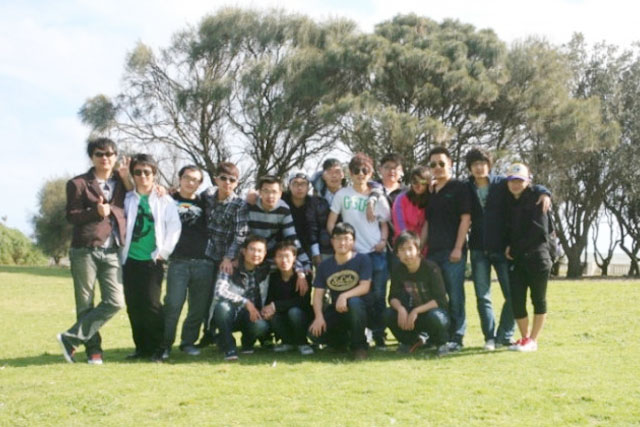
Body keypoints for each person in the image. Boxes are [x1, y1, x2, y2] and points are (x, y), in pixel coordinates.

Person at [465, 148, 551, 350]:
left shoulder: (500, 184)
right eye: (474, 164)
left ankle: (505, 335)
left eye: (482, 163)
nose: (479, 168)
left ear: (489, 165)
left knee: (513, 295)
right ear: (469, 168)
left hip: (501, 248)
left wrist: (545, 192)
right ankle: (490, 338)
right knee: (483, 297)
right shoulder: (465, 187)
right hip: (478, 247)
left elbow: (527, 184)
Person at [57, 137, 130, 364]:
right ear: (92, 157)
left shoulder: (122, 183)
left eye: (109, 154)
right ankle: (93, 351)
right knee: (85, 303)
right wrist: (95, 212)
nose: (104, 158)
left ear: (115, 157)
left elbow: (140, 193)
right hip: (85, 250)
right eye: (99, 154)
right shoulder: (78, 183)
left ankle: (70, 338)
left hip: (113, 250)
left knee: (115, 301)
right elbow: (72, 216)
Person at [121, 154, 181, 362]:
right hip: (129, 260)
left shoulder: (164, 200)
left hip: (152, 260)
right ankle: (141, 347)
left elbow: (174, 228)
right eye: (138, 172)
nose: (143, 176)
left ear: (154, 174)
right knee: (133, 305)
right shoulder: (128, 199)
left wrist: (163, 253)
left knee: (152, 304)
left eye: (147, 172)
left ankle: (159, 347)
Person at [327, 152, 390, 349]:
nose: (360, 174)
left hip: (376, 252)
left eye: (365, 170)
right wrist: (342, 244)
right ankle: (357, 334)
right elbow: (331, 224)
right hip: (353, 256)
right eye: (356, 170)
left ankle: (379, 334)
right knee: (356, 297)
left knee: (378, 296)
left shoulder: (377, 195)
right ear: (350, 173)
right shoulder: (342, 194)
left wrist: (383, 241)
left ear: (370, 173)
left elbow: (385, 222)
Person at [162, 165, 213, 359]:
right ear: (180, 178)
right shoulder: (168, 199)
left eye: (195, 180)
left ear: (200, 184)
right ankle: (165, 344)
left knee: (197, 308)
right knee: (173, 305)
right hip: (178, 262)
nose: (190, 182)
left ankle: (188, 342)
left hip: (203, 262)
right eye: (187, 178)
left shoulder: (206, 202)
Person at [425, 146, 471, 352]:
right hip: (433, 252)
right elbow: (428, 222)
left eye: (441, 163)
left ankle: (457, 336)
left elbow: (465, 219)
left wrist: (458, 248)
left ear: (450, 164)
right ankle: (439, 335)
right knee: (436, 295)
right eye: (433, 164)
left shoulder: (460, 188)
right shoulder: (432, 191)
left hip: (453, 252)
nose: (437, 167)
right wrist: (420, 247)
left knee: (455, 295)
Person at [197, 162, 249, 347]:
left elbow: (240, 234)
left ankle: (219, 333)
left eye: (232, 180)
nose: (227, 182)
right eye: (223, 178)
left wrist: (228, 257)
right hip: (204, 256)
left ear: (237, 183)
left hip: (225, 259)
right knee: (202, 298)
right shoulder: (207, 196)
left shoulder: (239, 204)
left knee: (218, 296)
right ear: (216, 179)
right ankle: (206, 333)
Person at [504, 163, 552, 352]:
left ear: (527, 181)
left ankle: (533, 339)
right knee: (517, 300)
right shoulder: (509, 201)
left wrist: (514, 247)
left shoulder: (537, 198)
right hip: (517, 259)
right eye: (512, 181)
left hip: (537, 257)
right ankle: (524, 338)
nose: (515, 184)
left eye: (520, 180)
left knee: (538, 299)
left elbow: (539, 231)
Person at [309, 223, 371, 360]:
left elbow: (365, 287)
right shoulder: (324, 265)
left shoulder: (362, 259)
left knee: (354, 302)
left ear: (353, 242)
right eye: (338, 238)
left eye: (346, 239)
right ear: (332, 241)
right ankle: (341, 343)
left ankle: (359, 347)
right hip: (337, 309)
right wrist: (319, 317)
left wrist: (344, 296)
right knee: (314, 334)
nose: (342, 243)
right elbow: (317, 295)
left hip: (360, 308)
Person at [385, 231, 450, 355]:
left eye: (410, 249)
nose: (407, 254)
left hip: (433, 312)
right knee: (387, 314)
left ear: (418, 250)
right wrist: (400, 309)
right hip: (411, 315)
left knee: (435, 317)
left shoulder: (431, 268)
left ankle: (442, 343)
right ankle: (410, 341)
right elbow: (393, 296)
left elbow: (440, 300)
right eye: (402, 250)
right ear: (397, 253)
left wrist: (416, 311)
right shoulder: (398, 270)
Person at [211, 235, 271, 361]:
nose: (256, 254)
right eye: (252, 249)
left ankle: (248, 342)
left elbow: (287, 261)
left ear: (265, 253)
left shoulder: (266, 269)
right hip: (231, 313)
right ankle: (229, 346)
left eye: (260, 251)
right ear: (243, 251)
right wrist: (245, 302)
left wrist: (300, 273)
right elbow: (219, 292)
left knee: (261, 326)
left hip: (250, 315)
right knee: (223, 307)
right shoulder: (229, 267)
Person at [247, 175, 312, 289]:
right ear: (260, 192)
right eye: (266, 191)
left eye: (274, 192)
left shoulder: (283, 209)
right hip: (250, 250)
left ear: (280, 194)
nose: (270, 196)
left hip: (270, 251)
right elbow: (241, 234)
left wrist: (305, 261)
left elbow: (291, 237)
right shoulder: (249, 205)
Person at [261, 241, 314, 355]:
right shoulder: (273, 277)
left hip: (302, 316)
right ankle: (287, 342)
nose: (284, 260)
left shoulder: (304, 277)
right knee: (271, 314)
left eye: (287, 256)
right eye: (280, 256)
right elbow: (270, 299)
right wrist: (269, 309)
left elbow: (303, 301)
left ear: (294, 257)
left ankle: (302, 343)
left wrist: (276, 306)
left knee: (294, 312)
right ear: (275, 259)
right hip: (282, 315)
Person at [282, 170, 331, 268]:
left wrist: (315, 253)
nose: (299, 187)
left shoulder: (314, 203)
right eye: (295, 183)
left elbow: (313, 229)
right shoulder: (282, 200)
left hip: (307, 248)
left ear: (308, 187)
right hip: (283, 247)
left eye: (303, 184)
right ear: (289, 186)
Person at [391, 166, 430, 254]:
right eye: (415, 181)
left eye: (423, 182)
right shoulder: (401, 199)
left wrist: (419, 248)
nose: (419, 185)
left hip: (424, 249)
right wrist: (410, 246)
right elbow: (399, 225)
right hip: (403, 246)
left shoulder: (431, 200)